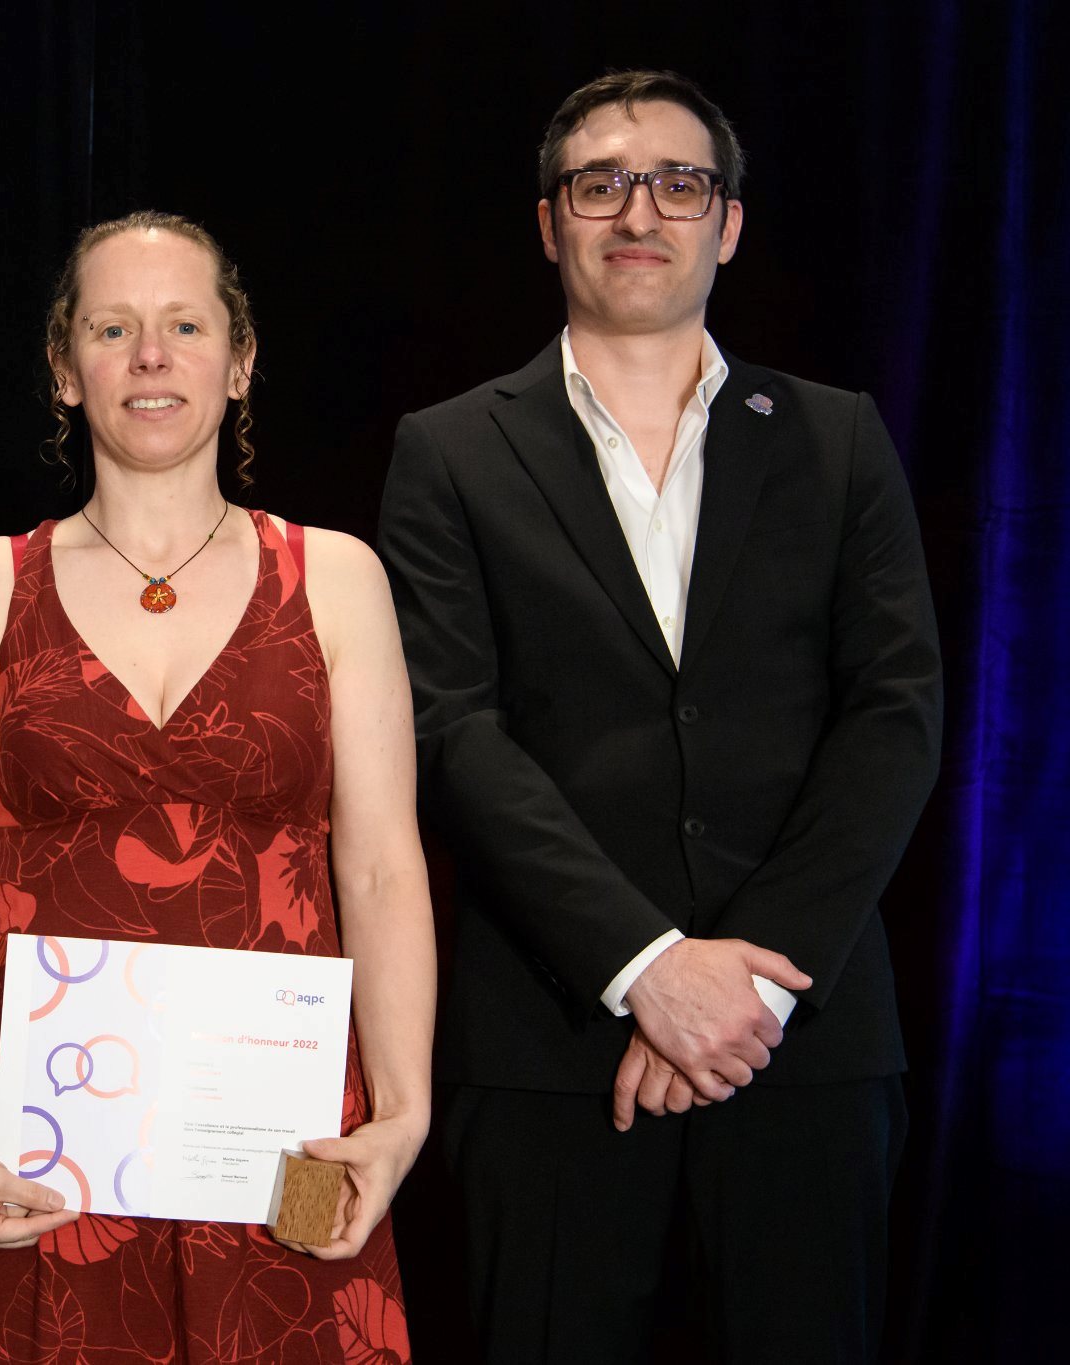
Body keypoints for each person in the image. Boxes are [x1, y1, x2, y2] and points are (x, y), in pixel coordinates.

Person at [377, 71, 942, 1363]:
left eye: (680, 183)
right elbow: (452, 729)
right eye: (601, 182)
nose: (641, 211)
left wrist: (745, 982)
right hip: (551, 1054)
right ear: (549, 221)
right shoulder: (452, 449)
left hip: (803, 1044)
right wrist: (647, 968)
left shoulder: (840, 439)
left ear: (728, 225)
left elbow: (895, 718)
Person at [0, 211, 435, 1364]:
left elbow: (383, 864)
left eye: (184, 325)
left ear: (237, 364)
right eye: (112, 327)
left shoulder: (335, 577)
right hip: (39, 1142)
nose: (149, 356)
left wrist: (401, 1112)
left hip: (289, 1147)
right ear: (61, 369)